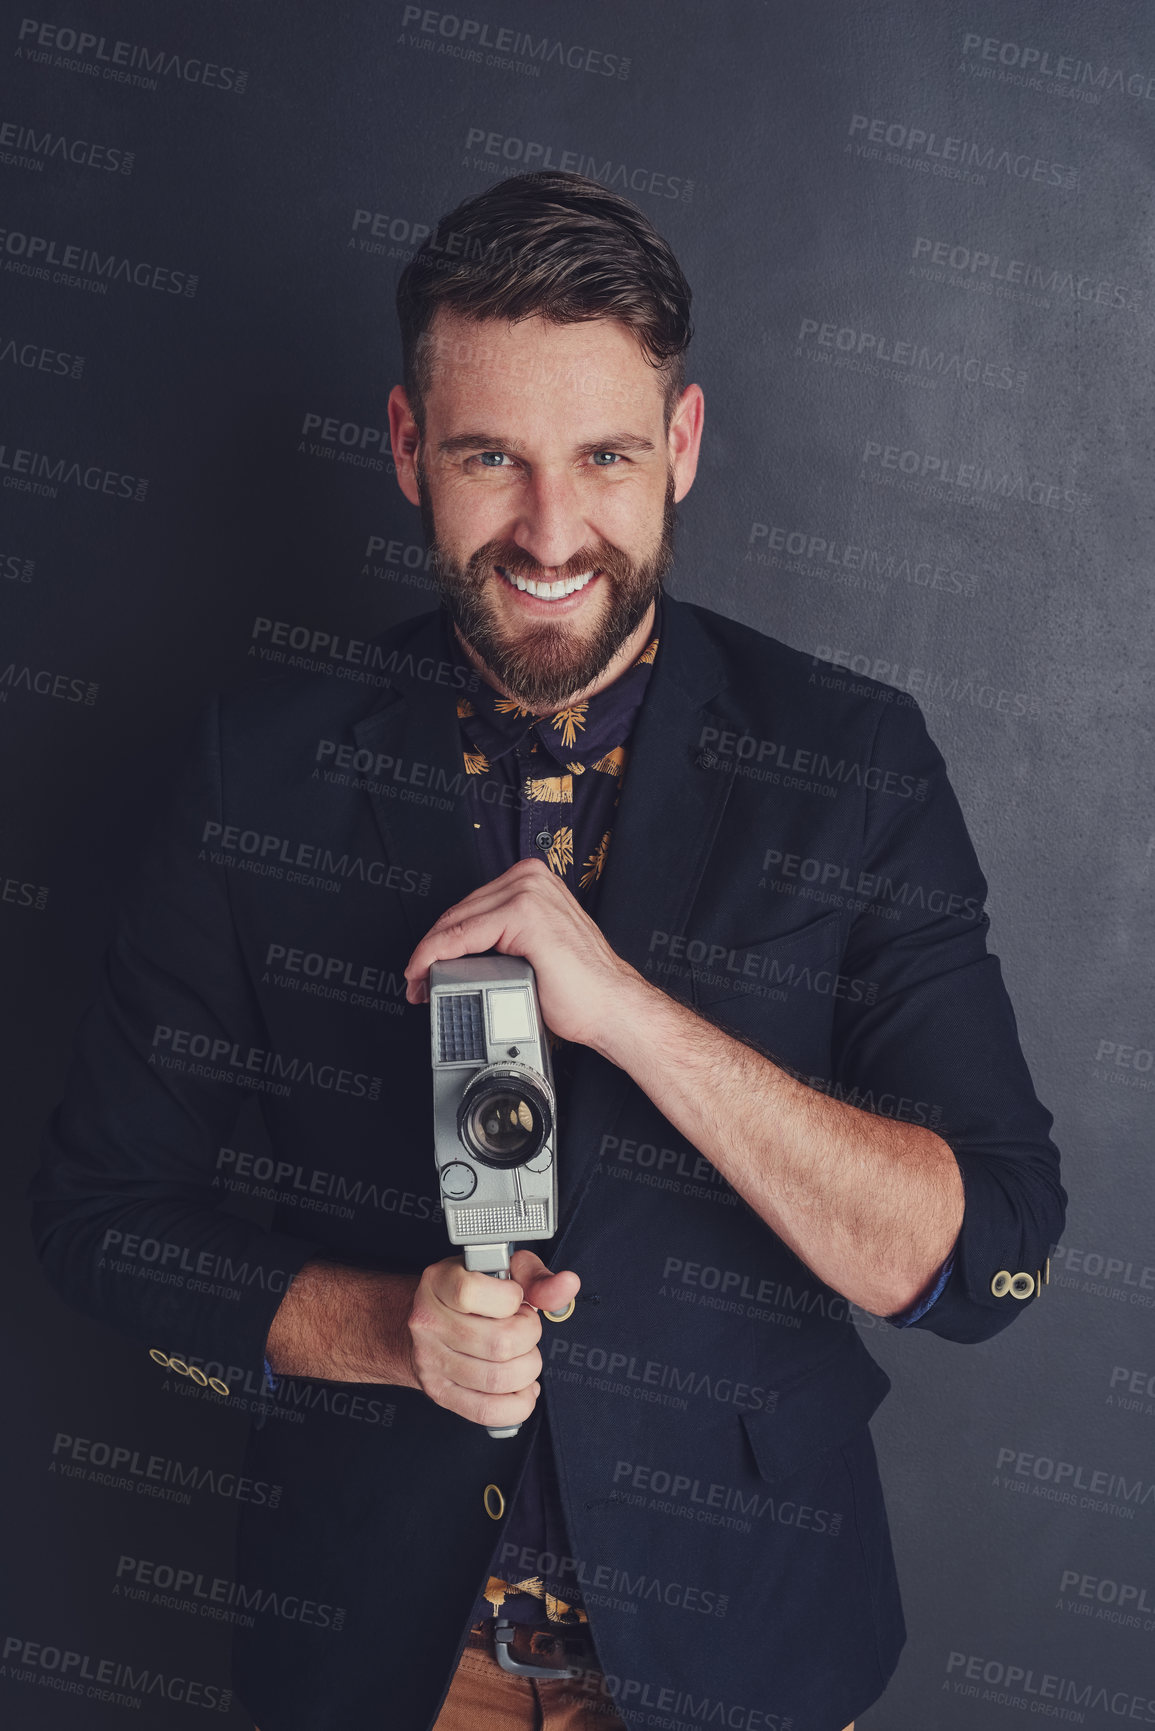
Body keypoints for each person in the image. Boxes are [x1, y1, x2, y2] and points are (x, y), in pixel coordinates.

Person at [29, 171, 1065, 1731]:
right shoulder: (257, 768)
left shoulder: (853, 761)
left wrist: (638, 1018)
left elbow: (992, 1252)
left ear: (685, 449)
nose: (551, 531)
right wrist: (389, 1334)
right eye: (489, 460)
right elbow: (99, 1218)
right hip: (384, 1665)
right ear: (403, 449)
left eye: (605, 458)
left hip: (752, 1661)